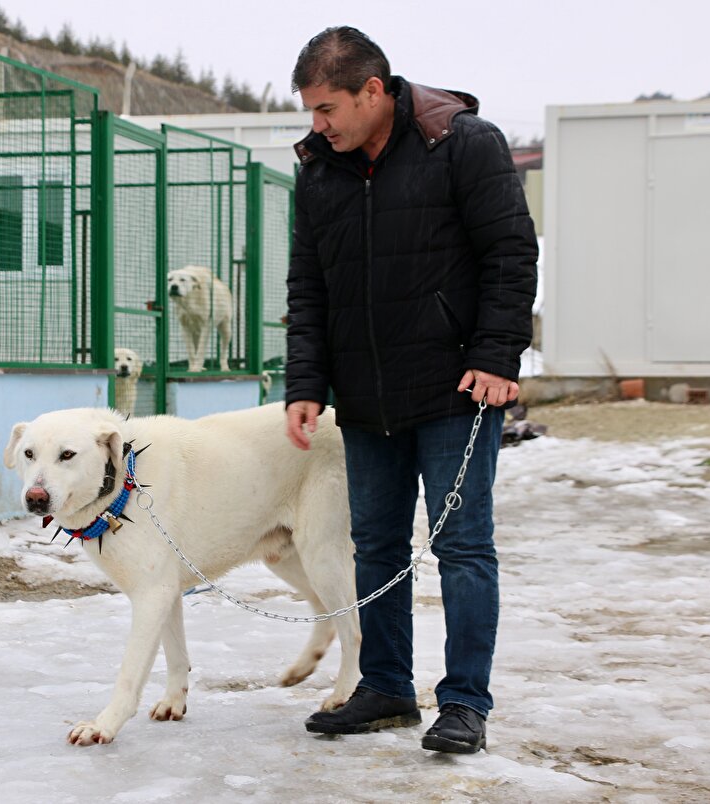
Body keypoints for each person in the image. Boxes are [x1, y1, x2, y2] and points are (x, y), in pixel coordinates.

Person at [283, 26, 537, 754]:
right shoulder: (319, 170)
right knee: (377, 547)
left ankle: (463, 703)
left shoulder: (462, 144)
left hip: (457, 388)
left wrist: (496, 354)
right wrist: (306, 381)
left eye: (327, 108)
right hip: (365, 398)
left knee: (461, 546)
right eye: (310, 110)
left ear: (373, 90)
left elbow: (511, 252)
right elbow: (310, 288)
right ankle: (387, 686)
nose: (317, 125)